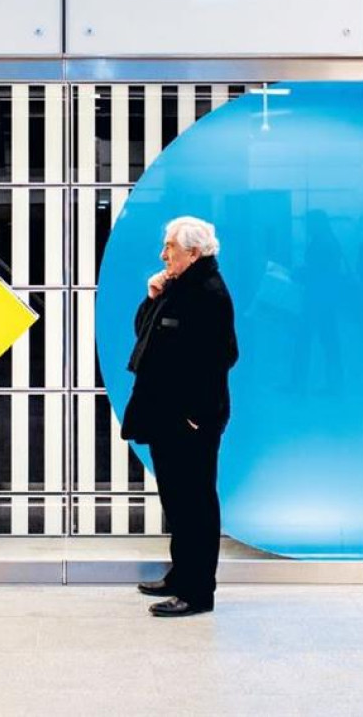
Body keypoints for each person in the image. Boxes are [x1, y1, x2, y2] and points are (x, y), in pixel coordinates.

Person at [122, 216, 239, 617]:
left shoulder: (209, 293)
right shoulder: (177, 287)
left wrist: (194, 415)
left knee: (196, 503)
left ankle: (197, 591)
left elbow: (222, 357)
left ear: (193, 252)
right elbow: (146, 336)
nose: (163, 253)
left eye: (170, 246)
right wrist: (152, 296)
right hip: (166, 414)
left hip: (190, 420)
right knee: (177, 499)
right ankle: (180, 575)